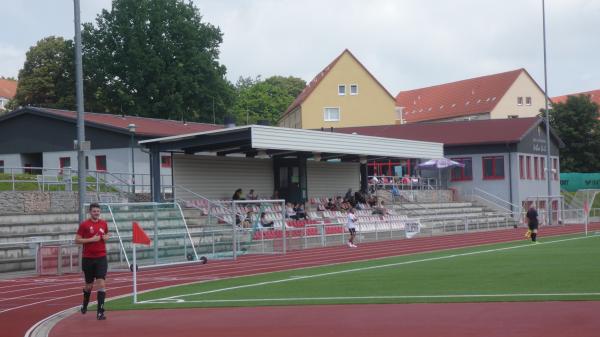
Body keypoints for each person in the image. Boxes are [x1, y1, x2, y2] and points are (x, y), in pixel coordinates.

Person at [75, 203, 109, 320]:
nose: (96, 213)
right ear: (90, 212)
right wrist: (91, 239)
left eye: (98, 211)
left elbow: (107, 234)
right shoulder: (84, 225)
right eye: (94, 211)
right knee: (89, 286)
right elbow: (77, 240)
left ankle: (100, 312)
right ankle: (85, 304)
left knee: (101, 283)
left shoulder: (104, 223)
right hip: (88, 259)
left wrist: (107, 237)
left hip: (101, 258)